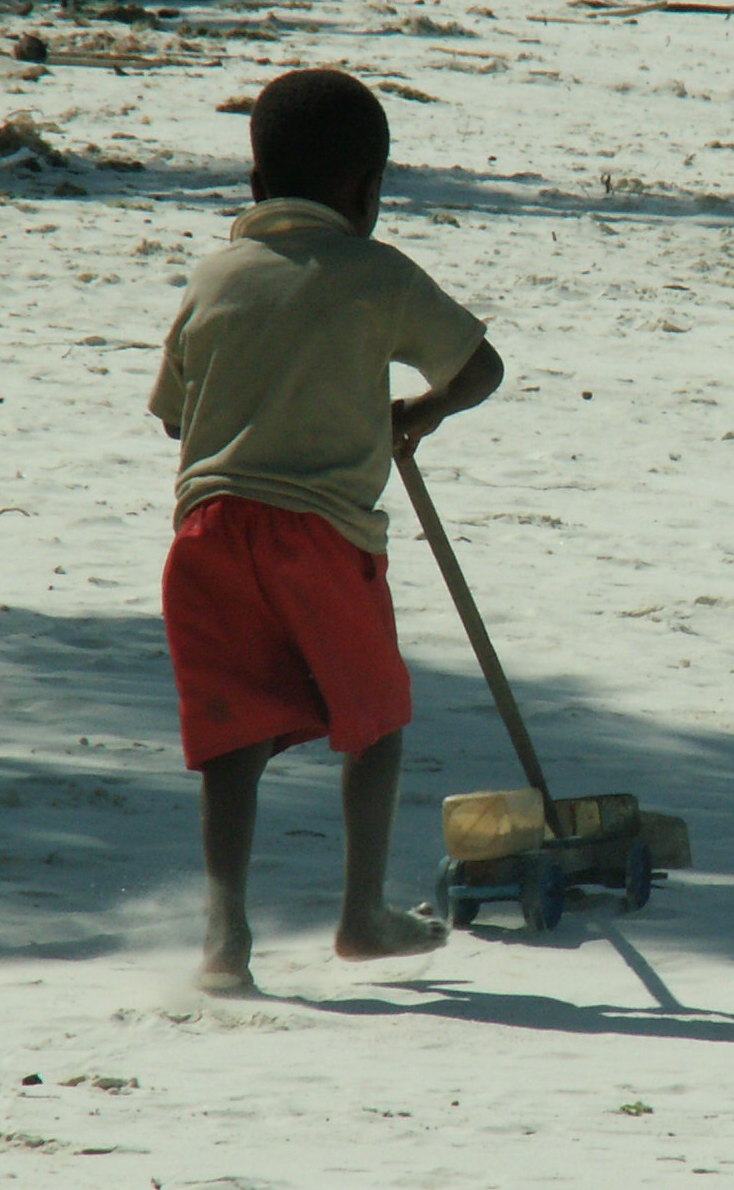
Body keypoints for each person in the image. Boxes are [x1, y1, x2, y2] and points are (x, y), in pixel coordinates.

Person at [149, 69, 504, 993]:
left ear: (257, 185)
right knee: (375, 720)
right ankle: (361, 917)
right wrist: (420, 410)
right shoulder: (374, 274)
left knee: (232, 735)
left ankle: (226, 939)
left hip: (208, 535)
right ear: (364, 192)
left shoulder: (216, 273)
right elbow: (482, 368)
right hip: (322, 535)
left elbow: (172, 416)